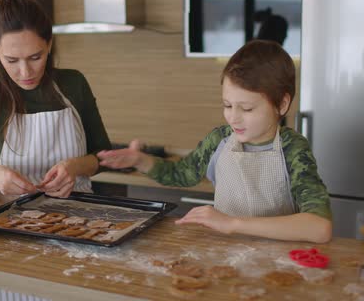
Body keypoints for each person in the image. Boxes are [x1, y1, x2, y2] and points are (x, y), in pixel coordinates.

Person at [0, 0, 111, 299]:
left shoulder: (73, 83)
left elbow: (101, 155)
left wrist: (76, 167)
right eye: (12, 60)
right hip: (11, 232)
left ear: (49, 44)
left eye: (36, 57)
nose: (26, 71)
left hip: (80, 226)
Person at [98, 40, 332, 244]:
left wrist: (233, 224)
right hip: (222, 254)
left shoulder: (293, 149)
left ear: (281, 104)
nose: (233, 117)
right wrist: (141, 160)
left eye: (247, 108)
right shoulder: (220, 139)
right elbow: (181, 174)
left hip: (277, 261)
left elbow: (319, 227)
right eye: (227, 105)